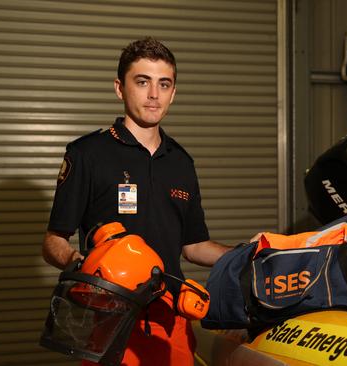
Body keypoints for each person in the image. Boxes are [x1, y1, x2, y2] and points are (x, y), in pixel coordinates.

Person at [42, 37, 234, 366]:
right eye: (142, 82)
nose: (154, 95)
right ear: (120, 88)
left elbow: (193, 246)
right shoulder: (88, 154)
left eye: (164, 84)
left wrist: (246, 255)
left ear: (173, 92)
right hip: (108, 321)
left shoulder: (181, 162)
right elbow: (53, 241)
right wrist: (83, 264)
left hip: (171, 321)